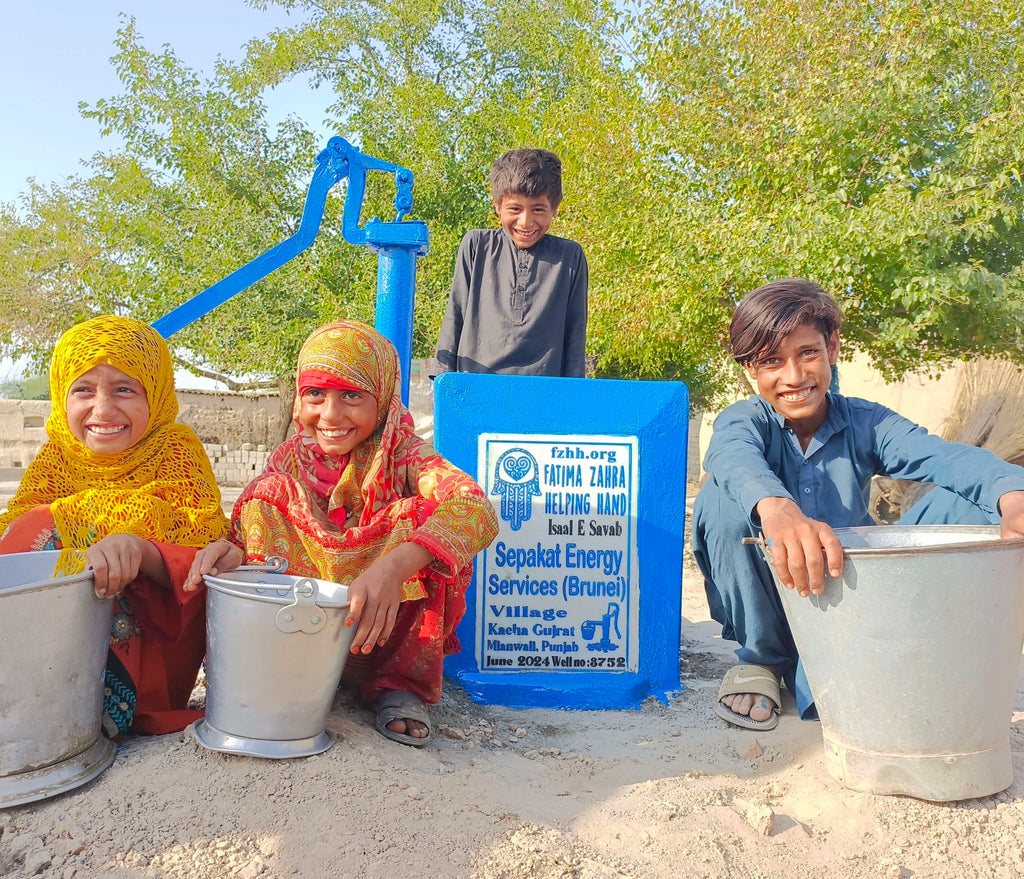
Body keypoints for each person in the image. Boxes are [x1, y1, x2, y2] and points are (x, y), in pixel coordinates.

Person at [692, 278, 1024, 731]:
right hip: (775, 605)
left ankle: (935, 651)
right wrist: (778, 510)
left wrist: (1013, 496)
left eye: (807, 353)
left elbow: (948, 459)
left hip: (857, 603)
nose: (793, 377)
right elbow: (730, 454)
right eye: (771, 361)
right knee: (722, 496)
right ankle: (762, 663)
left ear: (832, 348)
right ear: (752, 369)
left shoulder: (869, 422)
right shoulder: (745, 420)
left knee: (972, 501)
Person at [186, 320, 499, 746]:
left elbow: (474, 508)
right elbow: (252, 535)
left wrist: (393, 567)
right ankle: (289, 671)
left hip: (377, 631)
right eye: (315, 394)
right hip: (305, 630)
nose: (330, 416)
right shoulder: (291, 458)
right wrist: (233, 552)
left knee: (427, 517)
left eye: (351, 395)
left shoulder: (404, 454)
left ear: (383, 397)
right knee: (266, 494)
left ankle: (398, 685)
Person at [0, 315, 229, 736]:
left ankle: (105, 708)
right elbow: (16, 545)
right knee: (36, 524)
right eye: (83, 390)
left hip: (151, 660)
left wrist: (138, 550)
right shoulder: (56, 459)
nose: (102, 410)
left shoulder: (175, 452)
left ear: (155, 395)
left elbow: (204, 557)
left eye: (125, 390)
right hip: (54, 649)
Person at [431, 148, 588, 377]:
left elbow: (575, 334)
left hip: (543, 393)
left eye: (538, 209)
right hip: (477, 386)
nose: (525, 222)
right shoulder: (477, 245)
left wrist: (573, 394)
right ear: (497, 205)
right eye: (515, 209)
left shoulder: (569, 257)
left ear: (554, 209)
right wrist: (442, 378)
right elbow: (455, 312)